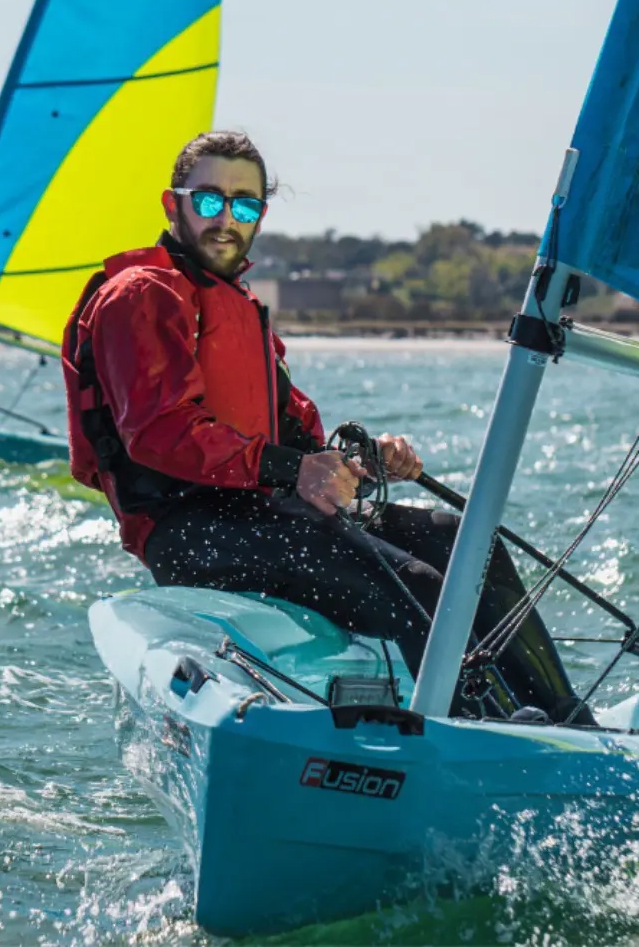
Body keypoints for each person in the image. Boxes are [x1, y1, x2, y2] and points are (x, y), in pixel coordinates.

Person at [63, 131, 594, 724]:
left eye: (245, 205)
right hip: (191, 532)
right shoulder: (140, 295)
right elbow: (160, 431)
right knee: (416, 585)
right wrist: (298, 470)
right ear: (173, 205)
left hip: (265, 515)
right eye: (209, 201)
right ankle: (479, 736)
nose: (227, 220)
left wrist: (361, 465)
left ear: (260, 216)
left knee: (466, 542)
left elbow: (298, 444)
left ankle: (565, 721)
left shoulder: (237, 307)